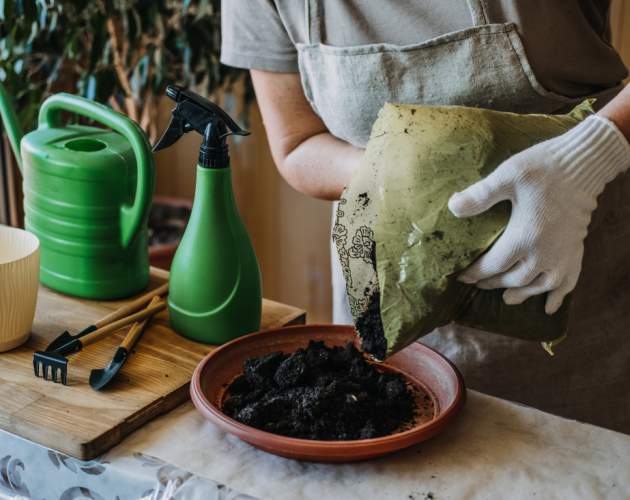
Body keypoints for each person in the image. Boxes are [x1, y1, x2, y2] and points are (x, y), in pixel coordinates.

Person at [221, 0, 630, 433]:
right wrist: (410, 172)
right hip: (387, 304)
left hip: (585, 302)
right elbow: (297, 145)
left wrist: (594, 154)